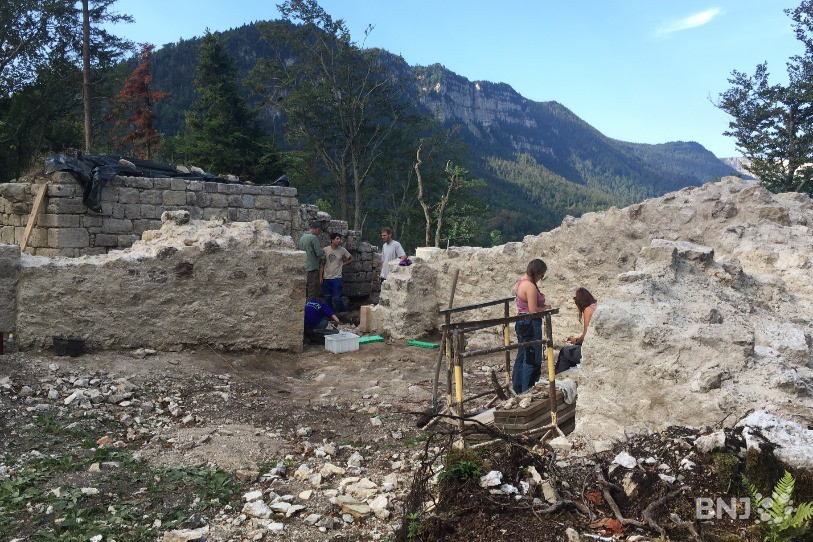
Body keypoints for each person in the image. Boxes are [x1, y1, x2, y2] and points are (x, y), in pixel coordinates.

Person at [512, 259, 549, 394]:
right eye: (542, 275)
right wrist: (545, 308)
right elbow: (533, 309)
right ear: (538, 273)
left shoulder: (520, 282)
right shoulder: (530, 286)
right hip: (530, 323)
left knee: (522, 355)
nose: (541, 278)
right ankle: (527, 388)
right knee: (531, 356)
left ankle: (518, 387)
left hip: (521, 322)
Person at [556, 288, 597, 373]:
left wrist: (576, 340)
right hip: (597, 347)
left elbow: (586, 336)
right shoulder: (596, 306)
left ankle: (560, 381)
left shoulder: (588, 310)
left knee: (564, 352)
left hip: (591, 351)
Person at [322, 233, 354, 313]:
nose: (339, 241)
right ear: (332, 240)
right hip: (326, 278)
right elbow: (322, 264)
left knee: (337, 298)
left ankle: (342, 313)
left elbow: (351, 258)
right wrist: (320, 277)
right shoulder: (325, 250)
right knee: (327, 298)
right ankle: (330, 314)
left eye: (339, 239)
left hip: (337, 278)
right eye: (337, 239)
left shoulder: (342, 250)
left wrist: (344, 263)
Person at [299, 222, 324, 300]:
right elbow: (319, 253)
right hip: (312, 267)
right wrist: (323, 251)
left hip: (303, 266)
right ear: (317, 229)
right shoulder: (314, 238)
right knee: (312, 288)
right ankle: (311, 306)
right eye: (318, 231)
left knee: (304, 288)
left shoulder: (302, 238)